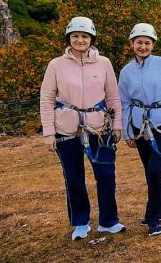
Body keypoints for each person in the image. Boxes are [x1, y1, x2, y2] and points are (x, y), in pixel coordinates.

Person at [40, 16, 125, 241]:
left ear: (92, 39)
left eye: (84, 36)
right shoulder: (56, 65)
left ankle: (108, 220)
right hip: (66, 130)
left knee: (106, 175)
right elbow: (47, 99)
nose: (80, 40)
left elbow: (113, 96)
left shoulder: (104, 63)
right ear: (69, 38)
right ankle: (80, 222)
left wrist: (117, 126)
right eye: (75, 36)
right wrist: (48, 132)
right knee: (74, 177)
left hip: (99, 127)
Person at [118, 23, 161, 237]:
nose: (143, 46)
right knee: (151, 173)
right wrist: (127, 132)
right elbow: (124, 102)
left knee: (155, 170)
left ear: (153, 44)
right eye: (139, 42)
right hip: (140, 128)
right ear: (132, 44)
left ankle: (153, 217)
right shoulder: (126, 72)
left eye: (147, 42)